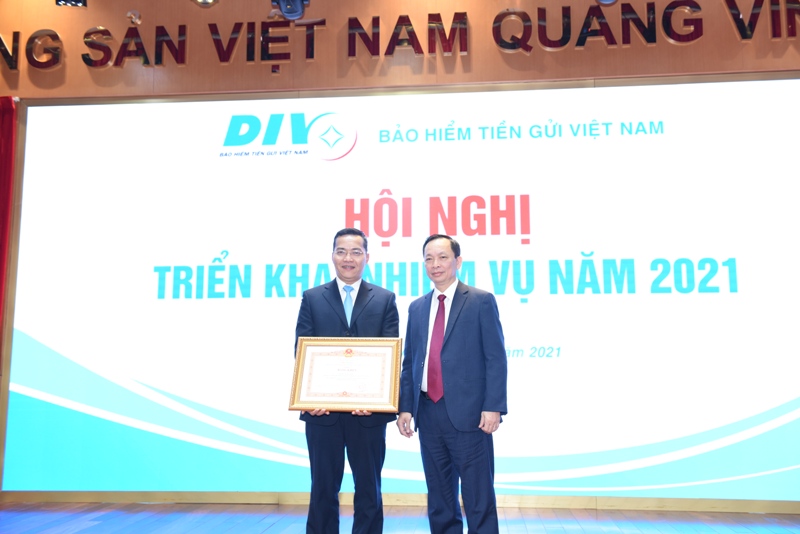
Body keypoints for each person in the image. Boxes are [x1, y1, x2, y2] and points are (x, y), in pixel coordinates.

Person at [397, 234, 508, 534]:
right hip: (428, 413)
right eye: (429, 259)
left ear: (458, 261)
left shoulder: (481, 300)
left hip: (470, 415)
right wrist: (405, 407)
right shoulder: (416, 308)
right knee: (439, 497)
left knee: (478, 497)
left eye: (443, 257)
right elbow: (410, 362)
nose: (435, 264)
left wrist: (494, 406)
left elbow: (495, 358)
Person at [295, 227, 400, 534]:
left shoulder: (385, 299)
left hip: (368, 414)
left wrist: (377, 399)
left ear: (367, 257)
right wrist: (310, 397)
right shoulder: (312, 298)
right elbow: (301, 350)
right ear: (332, 256)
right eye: (341, 251)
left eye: (356, 252)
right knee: (322, 487)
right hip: (322, 412)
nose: (348, 258)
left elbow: (391, 355)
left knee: (369, 487)